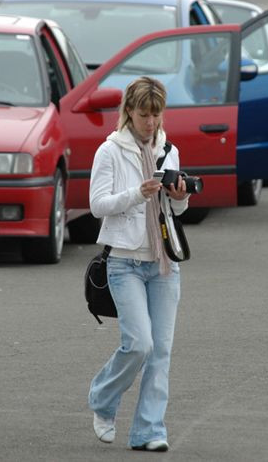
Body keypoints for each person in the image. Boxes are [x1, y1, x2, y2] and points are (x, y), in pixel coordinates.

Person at [87, 77, 189, 452]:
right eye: (144, 114)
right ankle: (102, 399)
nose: (150, 122)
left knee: (161, 351)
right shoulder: (109, 151)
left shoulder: (169, 149)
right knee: (139, 345)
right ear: (129, 111)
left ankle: (149, 430)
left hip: (163, 263)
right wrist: (136, 193)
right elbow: (97, 205)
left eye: (156, 114)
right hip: (125, 263)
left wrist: (179, 197)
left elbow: (176, 211)